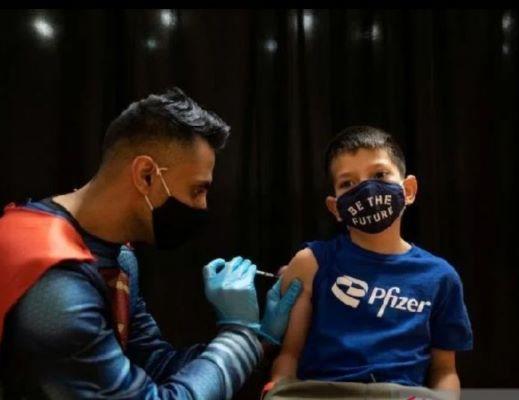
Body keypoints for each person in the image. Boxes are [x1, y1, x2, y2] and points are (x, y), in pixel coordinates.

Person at [0, 87, 302, 399]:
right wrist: (240, 335)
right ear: (146, 175)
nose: (203, 206)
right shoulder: (55, 281)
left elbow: (157, 363)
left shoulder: (119, 257)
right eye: (197, 190)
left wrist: (260, 339)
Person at [269, 126, 473, 398]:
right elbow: (289, 355)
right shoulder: (312, 262)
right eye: (347, 183)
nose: (366, 189)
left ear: (408, 190)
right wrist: (277, 388)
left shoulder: (440, 276)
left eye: (379, 175)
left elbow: (445, 370)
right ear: (335, 208)